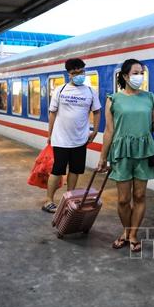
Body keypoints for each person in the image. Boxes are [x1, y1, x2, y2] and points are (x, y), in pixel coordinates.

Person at [97, 59, 154, 253]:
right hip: (121, 152)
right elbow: (109, 131)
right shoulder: (113, 99)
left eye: (142, 72)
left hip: (144, 150)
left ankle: (133, 234)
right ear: (126, 76)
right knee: (123, 199)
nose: (140, 76)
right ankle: (126, 231)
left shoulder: (149, 97)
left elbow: (152, 124)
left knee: (140, 195)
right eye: (136, 73)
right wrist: (103, 157)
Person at [42, 58, 102, 213]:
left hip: (81, 139)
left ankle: (68, 199)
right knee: (57, 170)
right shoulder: (60, 90)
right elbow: (52, 113)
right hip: (61, 139)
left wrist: (95, 130)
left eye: (81, 72)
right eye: (74, 73)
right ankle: (49, 200)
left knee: (75, 170)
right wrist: (50, 134)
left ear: (84, 71)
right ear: (68, 74)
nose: (78, 75)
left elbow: (97, 112)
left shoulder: (90, 91)